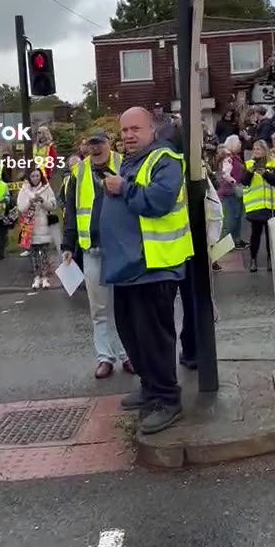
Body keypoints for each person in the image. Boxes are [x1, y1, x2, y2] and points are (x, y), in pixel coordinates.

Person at [100, 106, 194, 434]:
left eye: (135, 129)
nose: (128, 135)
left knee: (154, 337)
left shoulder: (164, 160)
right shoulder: (130, 161)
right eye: (124, 130)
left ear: (152, 129)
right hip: (128, 267)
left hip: (154, 265)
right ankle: (149, 386)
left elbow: (159, 200)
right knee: (132, 333)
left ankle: (167, 399)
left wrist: (122, 189)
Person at [62, 130, 131, 379]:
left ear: (108, 144)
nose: (95, 148)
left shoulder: (124, 164)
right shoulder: (78, 172)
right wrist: (68, 246)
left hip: (120, 248)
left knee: (125, 306)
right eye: (91, 144)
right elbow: (70, 211)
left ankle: (128, 355)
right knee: (98, 309)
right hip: (91, 249)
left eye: (99, 143)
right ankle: (105, 357)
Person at [241, 139, 275, 273]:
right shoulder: (248, 164)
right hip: (256, 206)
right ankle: (253, 260)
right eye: (254, 149)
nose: (256, 151)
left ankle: (270, 260)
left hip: (273, 206)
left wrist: (265, 173)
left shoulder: (274, 163)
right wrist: (251, 171)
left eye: (259, 149)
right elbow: (244, 182)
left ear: (265, 150)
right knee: (255, 234)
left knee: (270, 235)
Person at [18, 168, 57, 289]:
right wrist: (30, 201)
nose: (35, 178)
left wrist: (43, 201)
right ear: (29, 178)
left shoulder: (47, 188)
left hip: (44, 226)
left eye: (37, 176)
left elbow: (53, 205)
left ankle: (45, 277)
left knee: (44, 254)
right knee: (34, 255)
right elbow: (21, 208)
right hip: (30, 227)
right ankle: (37, 277)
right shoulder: (24, 190)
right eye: (33, 176)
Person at [217, 135, 247, 249]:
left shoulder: (235, 157)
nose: (240, 145)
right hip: (229, 192)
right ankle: (224, 245)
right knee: (230, 219)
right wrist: (234, 183)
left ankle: (236, 241)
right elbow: (225, 174)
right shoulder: (228, 158)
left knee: (237, 217)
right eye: (238, 143)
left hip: (235, 192)